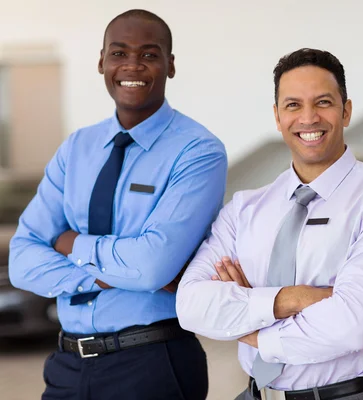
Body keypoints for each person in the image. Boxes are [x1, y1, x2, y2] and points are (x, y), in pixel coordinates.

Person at [176, 48, 363, 400]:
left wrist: (249, 326)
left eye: (323, 102)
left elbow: (354, 325)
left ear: (346, 110)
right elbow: (190, 305)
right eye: (293, 105)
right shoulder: (246, 208)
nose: (308, 118)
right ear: (277, 117)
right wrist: (292, 299)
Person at [9, 9, 227, 400]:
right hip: (67, 365)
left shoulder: (197, 151)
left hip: (151, 363)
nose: (132, 66)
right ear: (101, 62)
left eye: (148, 54)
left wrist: (72, 244)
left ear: (170, 65)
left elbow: (151, 266)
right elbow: (22, 262)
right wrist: (113, 273)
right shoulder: (76, 148)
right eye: (119, 53)